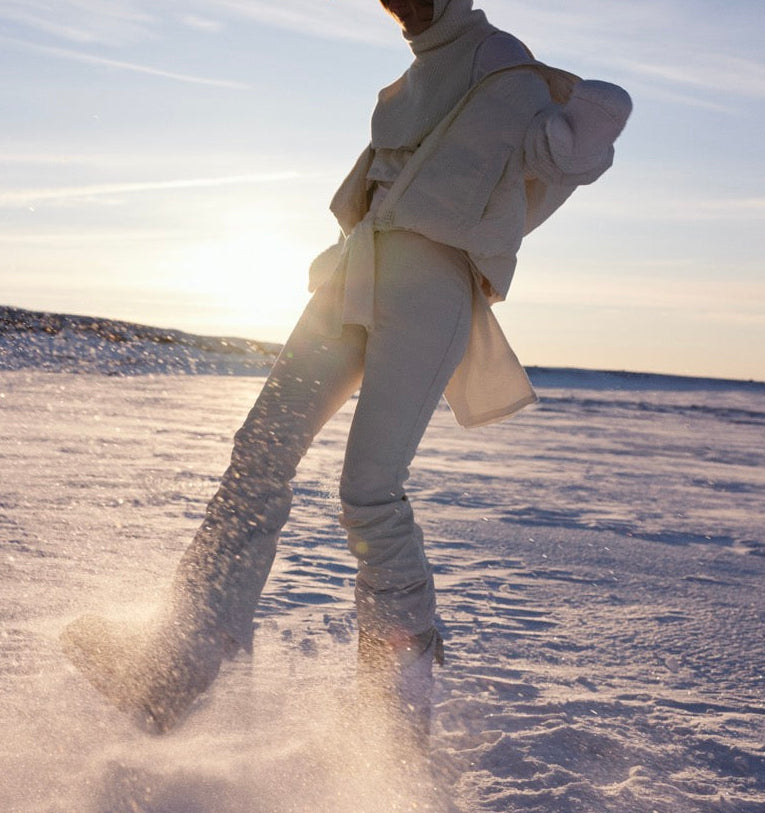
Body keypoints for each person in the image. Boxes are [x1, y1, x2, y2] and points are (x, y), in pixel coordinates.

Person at [61, 0, 632, 743]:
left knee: (367, 491)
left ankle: (397, 693)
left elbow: (566, 158)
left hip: (430, 287)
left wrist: (600, 112)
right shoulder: (416, 75)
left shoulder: (504, 64)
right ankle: (188, 654)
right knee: (258, 455)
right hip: (356, 267)